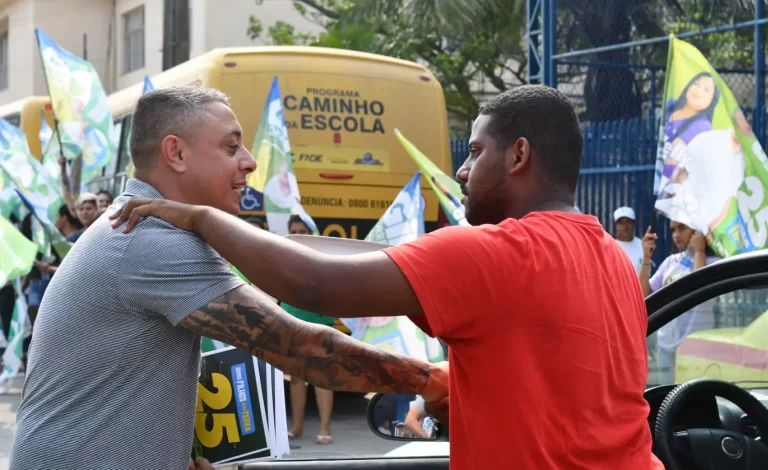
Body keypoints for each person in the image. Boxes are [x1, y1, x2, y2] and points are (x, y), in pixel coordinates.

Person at [111, 85, 663, 470]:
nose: (463, 171)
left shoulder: (500, 254)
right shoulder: (613, 257)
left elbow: (316, 284)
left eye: (474, 151)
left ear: (518, 155)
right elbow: (375, 256)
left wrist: (205, 219)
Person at [9, 86, 448, 470]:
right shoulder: (151, 240)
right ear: (175, 153)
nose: (251, 162)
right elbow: (306, 350)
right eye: (231, 147)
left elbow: (296, 258)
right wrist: (436, 380)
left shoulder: (146, 225)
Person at [283, 215, 348, 445]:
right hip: (291, 322)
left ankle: (324, 429)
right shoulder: (283, 255)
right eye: (294, 231)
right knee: (296, 378)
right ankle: (297, 427)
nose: (299, 235)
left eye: (303, 231)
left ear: (312, 233)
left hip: (320, 325)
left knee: (322, 378)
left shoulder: (323, 257)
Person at [640, 221, 720, 384]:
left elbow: (700, 292)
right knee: (667, 399)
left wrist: (699, 252)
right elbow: (643, 294)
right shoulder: (671, 262)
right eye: (672, 230)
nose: (676, 234)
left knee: (694, 400)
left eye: (682, 228)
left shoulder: (713, 263)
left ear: (698, 230)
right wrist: (646, 258)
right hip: (666, 346)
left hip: (696, 347)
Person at [613, 206, 644, 274]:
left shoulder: (643, 245)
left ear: (633, 224)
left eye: (628, 221)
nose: (625, 225)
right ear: (616, 225)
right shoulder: (610, 247)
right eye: (621, 222)